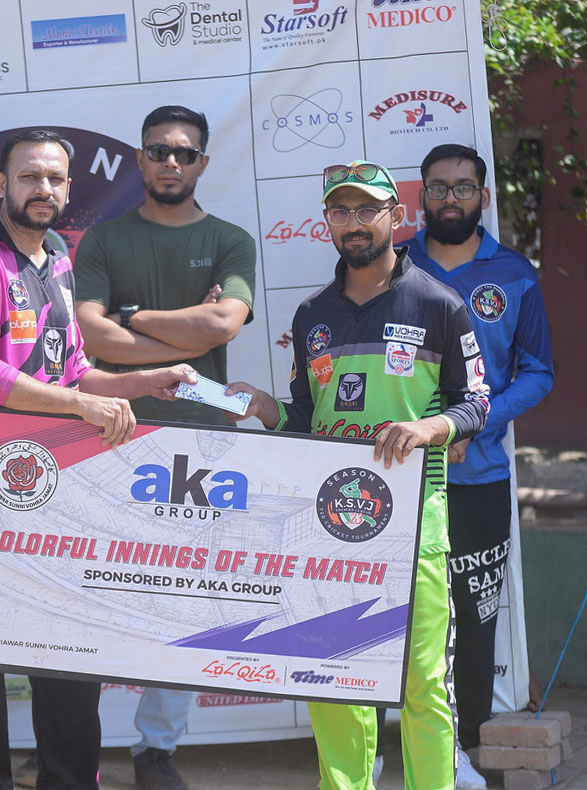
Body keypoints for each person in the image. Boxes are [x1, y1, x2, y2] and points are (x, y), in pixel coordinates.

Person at [0, 129, 196, 790]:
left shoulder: (56, 258)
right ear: (1, 185)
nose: (42, 188)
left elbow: (72, 371)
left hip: (51, 490)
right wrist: (80, 405)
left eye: (53, 178)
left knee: (69, 649)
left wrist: (147, 380)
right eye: (28, 176)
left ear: (69, 189)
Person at [227, 161, 490, 790]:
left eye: (368, 210)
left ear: (396, 217)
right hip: (330, 526)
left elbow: (476, 402)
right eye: (341, 211)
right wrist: (264, 407)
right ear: (327, 222)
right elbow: (305, 417)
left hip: (413, 523)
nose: (354, 223)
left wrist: (430, 428)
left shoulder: (440, 304)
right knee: (332, 676)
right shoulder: (311, 315)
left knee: (423, 683)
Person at [71, 104, 256, 790]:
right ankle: (69, 744)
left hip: (204, 441)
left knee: (184, 601)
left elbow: (222, 324)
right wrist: (184, 336)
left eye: (183, 152)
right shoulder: (102, 241)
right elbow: (91, 340)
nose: (170, 162)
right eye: (158, 150)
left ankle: (155, 750)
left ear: (202, 161)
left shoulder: (231, 240)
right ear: (139, 158)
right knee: (90, 592)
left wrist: (132, 317)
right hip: (110, 433)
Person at [406, 143, 554, 789]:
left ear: (483, 197)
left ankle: (461, 751)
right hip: (402, 475)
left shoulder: (515, 273)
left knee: (473, 618)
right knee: (394, 614)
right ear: (421, 196)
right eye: (438, 187)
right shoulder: (394, 263)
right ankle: (386, 743)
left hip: (480, 476)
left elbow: (538, 372)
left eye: (463, 187)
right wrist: (432, 429)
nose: (450, 198)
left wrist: (475, 423)